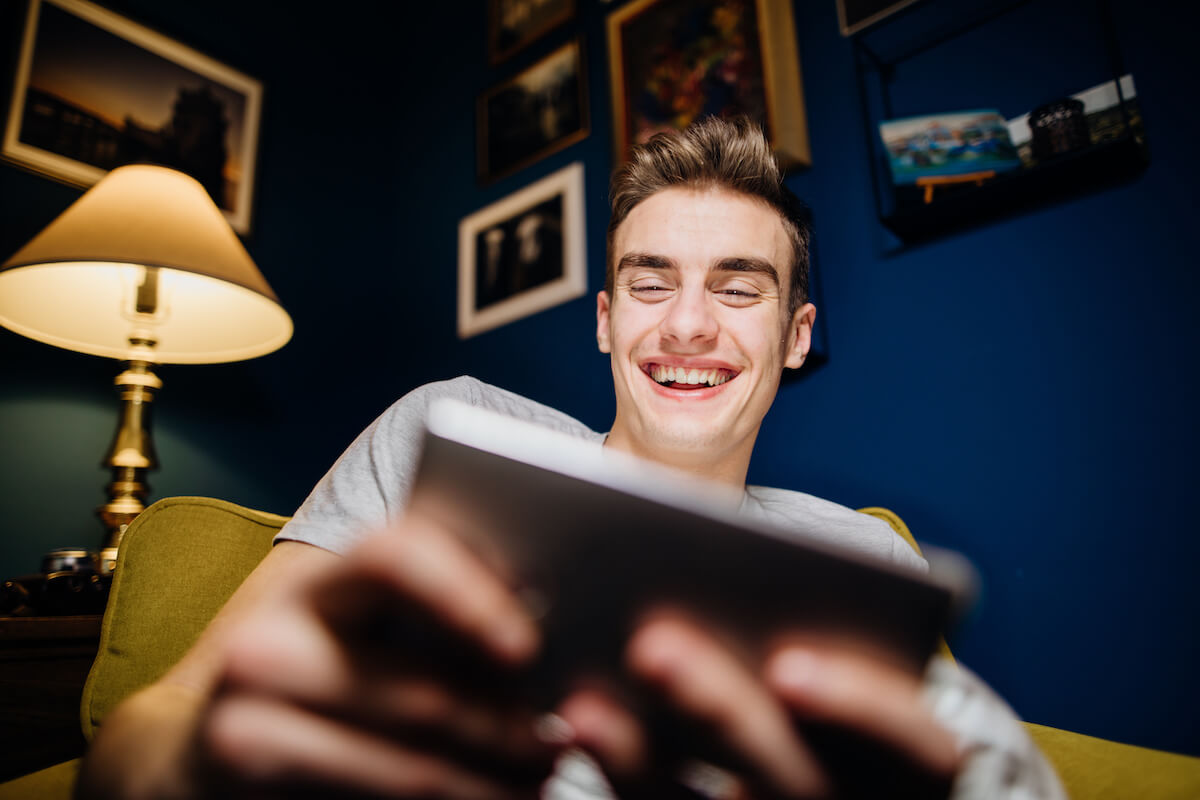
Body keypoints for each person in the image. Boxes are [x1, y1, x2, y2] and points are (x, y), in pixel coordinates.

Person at [78, 116, 1064, 799]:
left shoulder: (860, 552)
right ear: (604, 319)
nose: (685, 324)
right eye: (650, 283)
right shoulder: (446, 431)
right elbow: (155, 723)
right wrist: (192, 772)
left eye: (736, 287)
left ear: (797, 334)